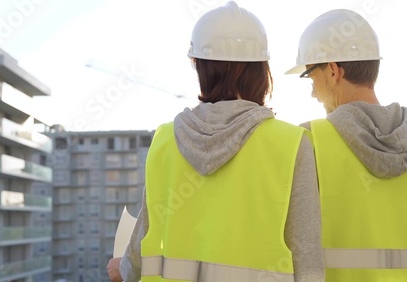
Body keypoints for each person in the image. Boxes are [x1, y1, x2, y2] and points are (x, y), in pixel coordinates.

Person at [107, 2, 325, 281]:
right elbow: (307, 262)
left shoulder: (164, 141)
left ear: (199, 66)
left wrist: (122, 270)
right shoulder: (291, 144)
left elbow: (142, 244)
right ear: (261, 71)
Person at [285, 9, 407, 282]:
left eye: (310, 77)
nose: (312, 91)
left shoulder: (310, 141)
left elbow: (293, 252)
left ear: (333, 71)